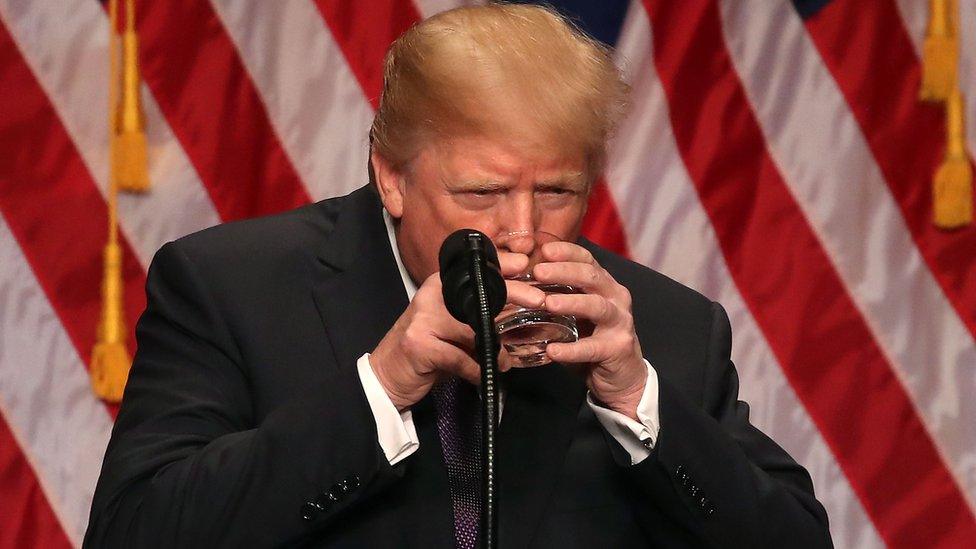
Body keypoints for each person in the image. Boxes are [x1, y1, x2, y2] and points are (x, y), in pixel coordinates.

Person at [85, 4, 832, 548]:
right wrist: (384, 383)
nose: (520, 230)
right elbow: (133, 531)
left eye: (557, 192)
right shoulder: (232, 289)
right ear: (391, 176)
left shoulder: (663, 328)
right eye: (481, 193)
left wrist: (639, 403)